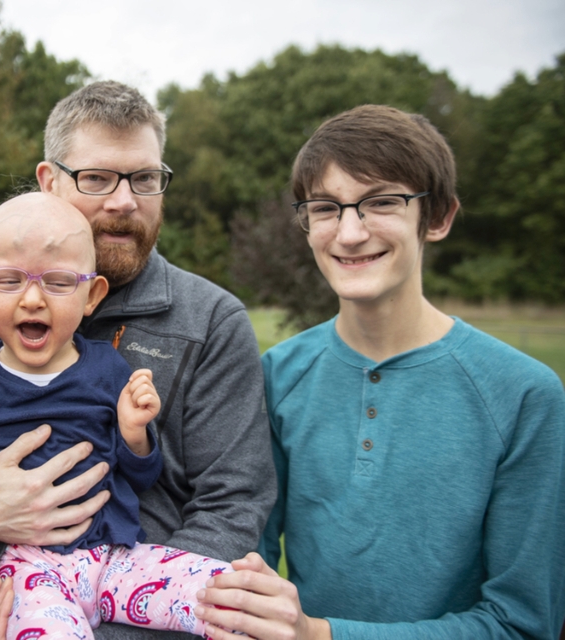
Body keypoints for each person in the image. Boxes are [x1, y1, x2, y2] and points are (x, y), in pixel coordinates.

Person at [193, 105, 565, 639]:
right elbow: (241, 559)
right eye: (325, 208)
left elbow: (523, 624)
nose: (348, 233)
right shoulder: (277, 375)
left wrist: (319, 635)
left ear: (437, 217)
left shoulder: (524, 395)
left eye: (381, 202)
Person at [0, 81, 276, 639]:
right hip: (15, 603)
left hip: (150, 609)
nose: (124, 200)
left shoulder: (211, 321)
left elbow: (232, 504)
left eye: (145, 178)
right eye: (96, 178)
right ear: (49, 181)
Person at [0, 192, 234, 638]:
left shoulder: (107, 368)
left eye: (58, 282)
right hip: (27, 573)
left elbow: (140, 476)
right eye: (10, 280)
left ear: (91, 294)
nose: (33, 299)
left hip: (116, 558)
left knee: (228, 597)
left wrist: (135, 435)